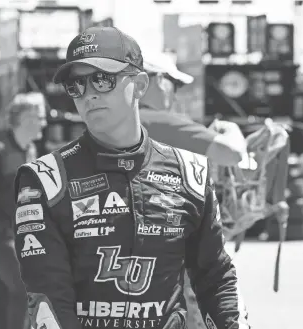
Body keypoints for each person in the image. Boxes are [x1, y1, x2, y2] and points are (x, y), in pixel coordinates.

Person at [13, 26, 250, 329]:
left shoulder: (192, 174)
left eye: (102, 78)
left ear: (139, 85)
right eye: (76, 85)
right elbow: (48, 295)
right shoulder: (45, 180)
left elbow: (216, 278)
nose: (89, 94)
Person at [0, 94, 46, 329]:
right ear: (25, 119)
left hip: (22, 236)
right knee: (24, 286)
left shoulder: (30, 150)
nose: (44, 123)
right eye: (39, 117)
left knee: (4, 293)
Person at [140, 51, 247, 166]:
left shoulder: (123, 117)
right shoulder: (158, 121)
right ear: (160, 79)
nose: (174, 97)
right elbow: (232, 154)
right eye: (176, 86)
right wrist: (231, 128)